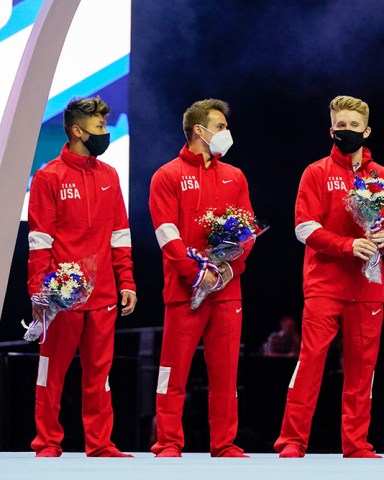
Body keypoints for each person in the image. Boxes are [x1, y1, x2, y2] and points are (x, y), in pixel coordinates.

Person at [274, 95, 384, 458]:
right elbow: (304, 228)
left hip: (369, 286)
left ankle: (356, 444)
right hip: (325, 283)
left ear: (366, 130)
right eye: (341, 125)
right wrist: (347, 246)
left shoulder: (381, 176)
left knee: (362, 368)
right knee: (310, 362)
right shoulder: (316, 172)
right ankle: (292, 440)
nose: (347, 131)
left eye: (354, 126)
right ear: (331, 129)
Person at [27, 96, 137, 457]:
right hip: (63, 297)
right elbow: (40, 239)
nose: (105, 133)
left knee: (99, 374)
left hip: (104, 295)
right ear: (77, 130)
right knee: (51, 372)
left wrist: (127, 282)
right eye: (100, 127)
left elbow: (119, 234)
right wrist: (40, 292)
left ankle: (100, 444)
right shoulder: (48, 177)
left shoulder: (109, 175)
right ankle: (46, 442)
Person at [148, 98, 257, 457]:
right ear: (200, 130)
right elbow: (166, 233)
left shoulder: (234, 176)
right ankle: (167, 442)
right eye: (221, 127)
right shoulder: (167, 175)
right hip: (184, 290)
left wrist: (225, 269)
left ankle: (224, 443)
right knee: (173, 371)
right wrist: (196, 273)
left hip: (227, 291)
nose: (227, 133)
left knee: (226, 373)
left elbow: (248, 232)